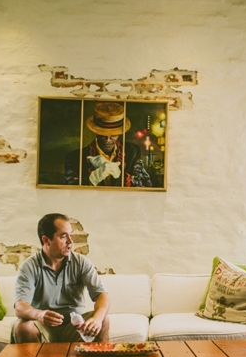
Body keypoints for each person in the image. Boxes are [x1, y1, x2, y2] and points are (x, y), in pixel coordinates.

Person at [11, 213, 110, 343]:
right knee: (23, 326)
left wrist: (97, 319)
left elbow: (102, 295)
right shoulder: (29, 266)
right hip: (43, 327)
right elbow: (20, 307)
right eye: (63, 236)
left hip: (75, 327)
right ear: (46, 240)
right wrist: (39, 314)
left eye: (70, 235)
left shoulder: (81, 262)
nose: (70, 241)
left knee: (104, 320)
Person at [63, 102, 152, 187]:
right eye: (103, 135)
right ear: (96, 132)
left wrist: (121, 177)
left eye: (113, 135)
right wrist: (92, 179)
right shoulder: (74, 157)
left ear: (120, 133)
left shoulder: (133, 152)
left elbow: (145, 184)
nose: (108, 140)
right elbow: (68, 190)